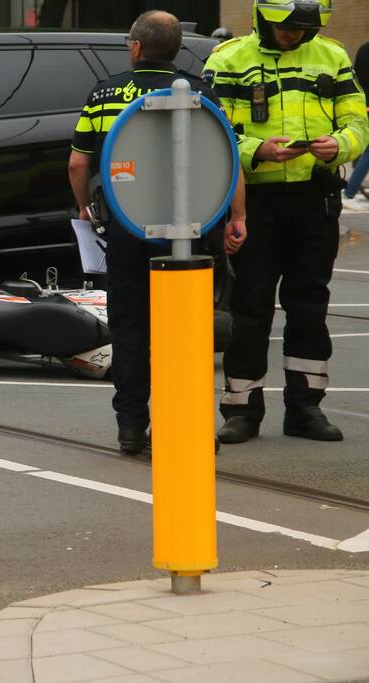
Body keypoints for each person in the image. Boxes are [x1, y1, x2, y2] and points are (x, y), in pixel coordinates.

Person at [68, 10, 248, 454]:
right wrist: (236, 216)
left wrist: (84, 206)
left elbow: (78, 163)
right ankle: (187, 424)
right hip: (190, 230)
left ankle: (131, 428)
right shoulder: (202, 93)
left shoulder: (105, 92)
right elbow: (227, 159)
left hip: (129, 228)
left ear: (135, 47)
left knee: (130, 331)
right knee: (185, 332)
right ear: (176, 49)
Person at [205, 0, 368, 443]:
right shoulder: (229, 59)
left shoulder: (331, 56)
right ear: (263, 18)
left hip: (315, 198)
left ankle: (305, 408)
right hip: (255, 201)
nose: (294, 35)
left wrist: (340, 145)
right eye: (286, 28)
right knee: (251, 308)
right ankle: (241, 410)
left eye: (302, 28)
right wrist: (258, 150)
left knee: (310, 306)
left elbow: (358, 121)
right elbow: (211, 127)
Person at [341, 40, 369, 212]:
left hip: (363, 102)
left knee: (365, 143)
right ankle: (349, 192)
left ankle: (351, 190)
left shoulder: (364, 48)